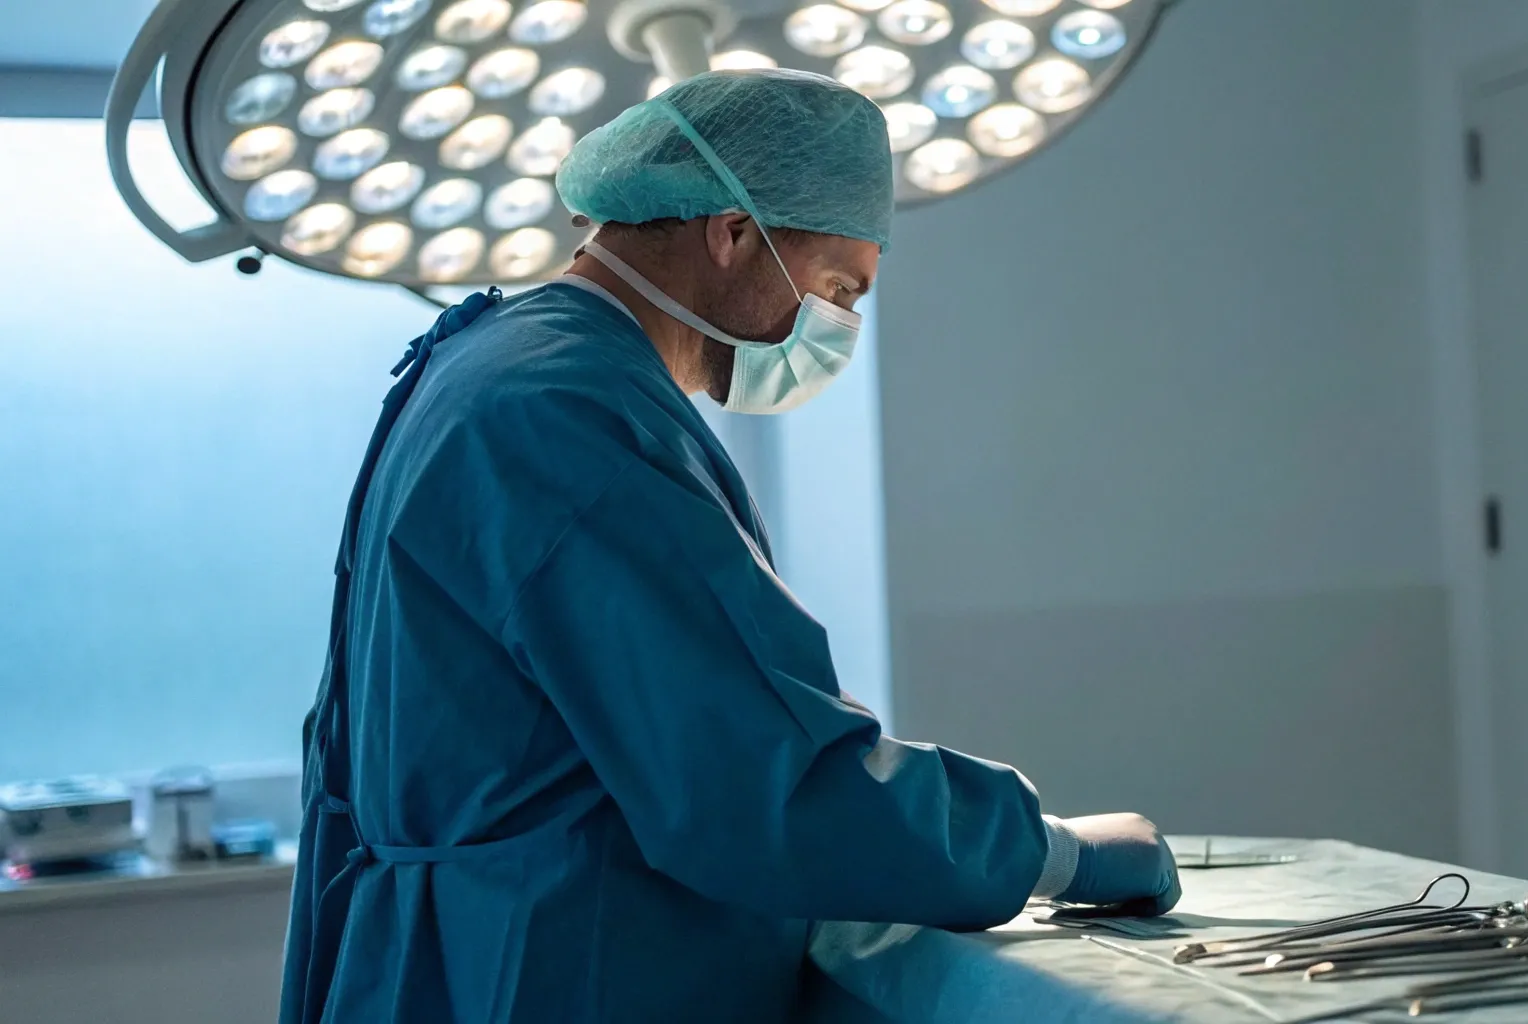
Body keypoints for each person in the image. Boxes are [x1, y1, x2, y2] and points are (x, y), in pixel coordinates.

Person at [278, 69, 1179, 1023]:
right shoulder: (576, 417)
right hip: (547, 966)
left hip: (461, 953)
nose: (836, 326)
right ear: (734, 232)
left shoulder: (498, 360)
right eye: (837, 286)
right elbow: (761, 780)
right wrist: (1052, 852)